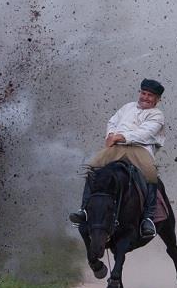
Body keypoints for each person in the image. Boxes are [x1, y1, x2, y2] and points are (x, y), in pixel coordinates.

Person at [69, 78, 166, 239]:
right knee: (92, 167)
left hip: (140, 149)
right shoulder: (127, 107)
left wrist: (120, 137)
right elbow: (112, 121)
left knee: (151, 174)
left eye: (150, 95)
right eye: (143, 93)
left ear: (157, 99)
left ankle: (148, 218)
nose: (145, 97)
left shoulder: (157, 115)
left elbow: (144, 134)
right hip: (116, 146)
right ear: (139, 93)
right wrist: (110, 135)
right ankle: (84, 210)